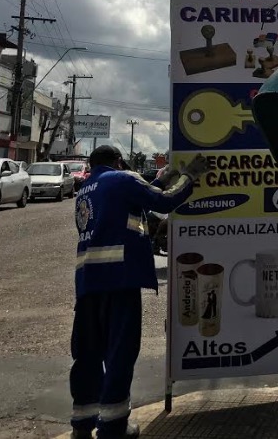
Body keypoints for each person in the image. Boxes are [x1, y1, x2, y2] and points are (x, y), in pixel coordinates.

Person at [70, 145, 206, 439]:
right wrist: (189, 178)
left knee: (88, 354)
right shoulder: (123, 179)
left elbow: (136, 200)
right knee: (121, 351)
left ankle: (82, 423)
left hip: (88, 283)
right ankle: (114, 426)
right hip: (119, 279)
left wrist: (165, 176)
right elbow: (165, 202)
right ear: (119, 162)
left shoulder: (86, 189)